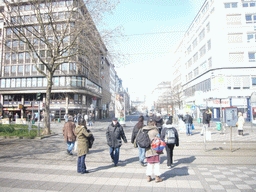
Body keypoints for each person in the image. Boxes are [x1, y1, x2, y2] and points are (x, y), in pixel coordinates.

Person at [143, 118, 163, 183]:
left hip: (148, 150)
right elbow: (159, 140)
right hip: (155, 150)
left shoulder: (145, 130)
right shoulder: (155, 131)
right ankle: (157, 177)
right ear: (154, 124)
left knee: (149, 164)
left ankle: (148, 177)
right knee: (156, 163)